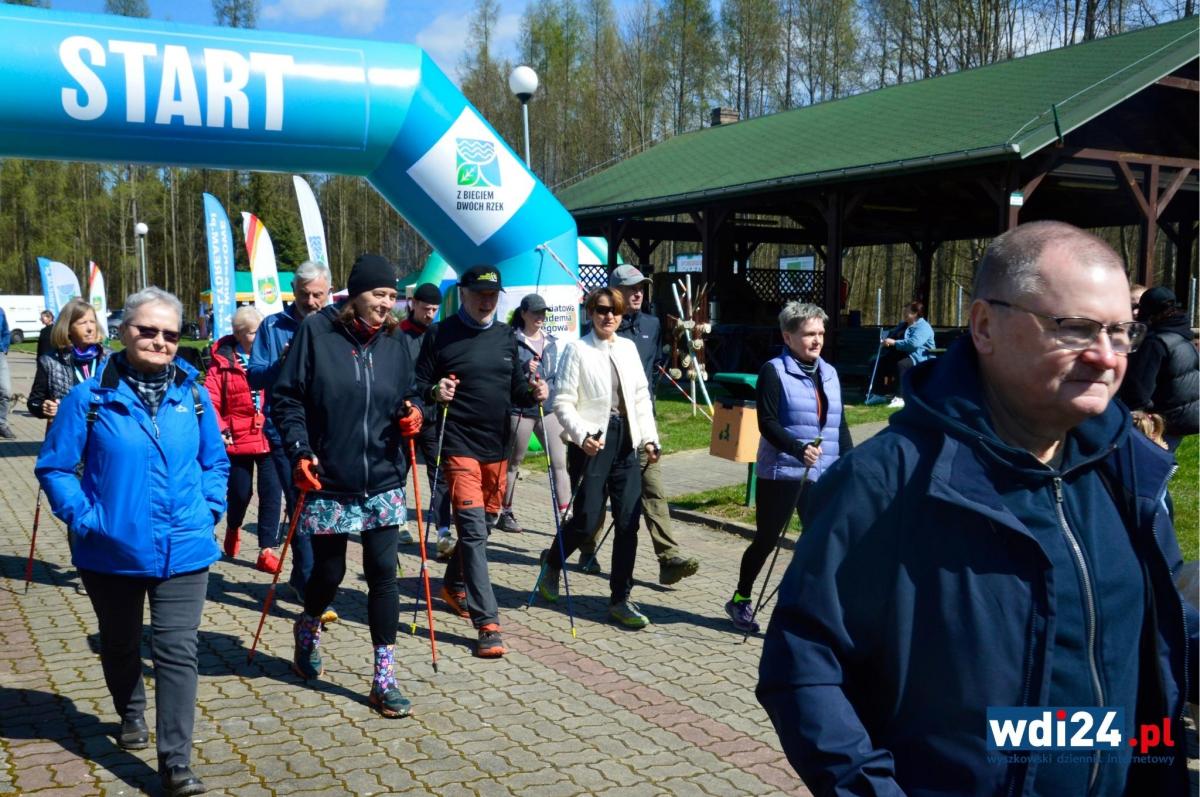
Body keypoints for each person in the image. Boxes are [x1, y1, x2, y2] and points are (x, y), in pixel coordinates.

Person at [757, 221, 1196, 796]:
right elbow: (804, 664)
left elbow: (1163, 626)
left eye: (1121, 332)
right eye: (1076, 328)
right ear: (985, 325)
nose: (1105, 356)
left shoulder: (1129, 471)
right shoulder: (886, 483)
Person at [35, 287, 228, 797]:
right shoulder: (88, 399)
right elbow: (55, 467)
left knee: (177, 652)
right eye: (148, 330)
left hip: (185, 546)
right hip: (110, 550)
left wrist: (209, 508)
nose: (160, 341)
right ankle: (130, 710)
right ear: (123, 331)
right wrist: (87, 519)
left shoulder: (194, 396)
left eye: (170, 334)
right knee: (120, 643)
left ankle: (175, 764)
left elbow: (215, 462)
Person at [271, 253, 422, 718]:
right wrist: (300, 449)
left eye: (393, 296)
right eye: (379, 294)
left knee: (383, 573)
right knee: (330, 572)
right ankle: (308, 625)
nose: (387, 304)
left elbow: (409, 393)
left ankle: (384, 678)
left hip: (384, 475)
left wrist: (415, 412)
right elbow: (286, 397)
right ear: (355, 295)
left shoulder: (396, 341)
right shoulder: (316, 333)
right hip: (330, 475)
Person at [415, 264, 548, 658]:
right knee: (472, 531)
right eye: (479, 294)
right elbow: (417, 384)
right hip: (458, 446)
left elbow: (516, 391)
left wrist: (534, 392)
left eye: (492, 295)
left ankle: (453, 585)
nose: (486, 301)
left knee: (485, 526)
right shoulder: (440, 334)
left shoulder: (507, 337)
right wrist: (435, 390)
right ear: (463, 293)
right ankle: (487, 623)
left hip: (497, 448)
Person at [538, 287, 661, 629]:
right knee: (587, 519)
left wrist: (650, 439)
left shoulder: (628, 348)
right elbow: (562, 402)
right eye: (603, 310)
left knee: (628, 522)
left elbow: (641, 398)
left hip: (626, 442)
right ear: (591, 312)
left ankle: (620, 599)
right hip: (591, 442)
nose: (609, 316)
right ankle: (552, 562)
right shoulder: (577, 349)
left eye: (615, 311)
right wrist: (582, 435)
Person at [725, 302, 851, 633]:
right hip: (781, 472)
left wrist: (850, 464)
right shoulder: (774, 371)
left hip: (822, 472)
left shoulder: (830, 373)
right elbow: (767, 423)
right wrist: (798, 449)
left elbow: (839, 424)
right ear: (788, 336)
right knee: (766, 540)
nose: (817, 340)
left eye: (820, 333)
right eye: (809, 334)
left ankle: (813, 609)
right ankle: (740, 598)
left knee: (820, 543)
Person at [599, 265, 700, 584]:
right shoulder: (601, 325)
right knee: (597, 495)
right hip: (605, 425)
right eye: (631, 288)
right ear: (615, 292)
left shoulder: (652, 325)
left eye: (641, 287)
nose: (638, 293)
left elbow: (653, 369)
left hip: (641, 425)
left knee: (653, 488)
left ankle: (669, 558)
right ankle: (585, 547)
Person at [247, 260, 331, 610]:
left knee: (322, 507)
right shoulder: (273, 326)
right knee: (300, 505)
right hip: (284, 432)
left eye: (318, 295)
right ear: (293, 292)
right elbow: (254, 376)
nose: (311, 302)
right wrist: (282, 362)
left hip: (327, 431)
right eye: (304, 294)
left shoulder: (335, 325)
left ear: (328, 293)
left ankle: (301, 576)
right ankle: (311, 586)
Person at [206, 306, 284, 574]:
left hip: (269, 435)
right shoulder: (222, 363)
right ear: (238, 334)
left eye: (262, 330)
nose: (260, 336)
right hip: (237, 439)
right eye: (253, 332)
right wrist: (221, 428)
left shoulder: (272, 357)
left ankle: (267, 550)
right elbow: (211, 401)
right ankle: (233, 526)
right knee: (240, 493)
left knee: (271, 493)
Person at [494, 293, 569, 535]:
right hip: (521, 409)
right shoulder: (512, 340)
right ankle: (505, 512)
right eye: (535, 312)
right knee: (513, 463)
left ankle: (565, 516)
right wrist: (524, 369)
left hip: (548, 409)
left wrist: (550, 390)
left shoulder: (552, 342)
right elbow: (504, 375)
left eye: (543, 312)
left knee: (559, 462)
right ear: (524, 313)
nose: (540, 316)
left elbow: (555, 377)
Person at [398, 281, 452, 557]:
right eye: (425, 308)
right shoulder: (398, 334)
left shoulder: (440, 334)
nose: (430, 314)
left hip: (432, 414)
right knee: (399, 469)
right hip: (405, 414)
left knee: (439, 472)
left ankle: (443, 531)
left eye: (434, 309)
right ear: (413, 304)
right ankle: (399, 522)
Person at [1117, 285, 1198, 451]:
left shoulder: (1156, 342)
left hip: (1164, 419)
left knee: (1150, 460)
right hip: (1188, 415)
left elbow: (1138, 389)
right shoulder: (1182, 335)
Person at [880, 300, 935, 407]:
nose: (904, 314)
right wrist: (886, 340)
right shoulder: (902, 325)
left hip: (920, 357)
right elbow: (893, 336)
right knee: (880, 362)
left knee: (902, 364)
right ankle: (879, 394)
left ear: (916, 314)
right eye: (904, 312)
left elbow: (913, 344)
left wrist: (894, 342)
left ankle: (901, 397)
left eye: (907, 312)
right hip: (901, 354)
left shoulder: (923, 327)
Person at [0, 303, 14, 439]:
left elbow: (5, 331)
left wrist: (4, 348)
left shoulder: (0, 311)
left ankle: (1, 424)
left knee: (5, 391)